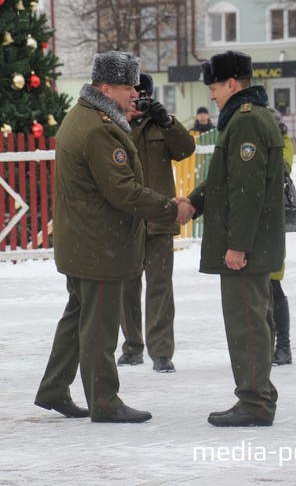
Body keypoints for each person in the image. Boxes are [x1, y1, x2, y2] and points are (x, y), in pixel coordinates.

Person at [33, 51, 192, 423]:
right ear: (105, 87)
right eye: (126, 86)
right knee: (100, 328)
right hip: (99, 244)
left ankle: (55, 388)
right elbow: (123, 191)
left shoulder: (83, 116)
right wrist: (172, 209)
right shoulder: (102, 127)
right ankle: (104, 401)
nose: (134, 93)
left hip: (83, 241)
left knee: (78, 317)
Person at [186, 50, 284, 427]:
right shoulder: (249, 118)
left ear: (231, 84)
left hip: (249, 247)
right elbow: (226, 183)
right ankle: (259, 394)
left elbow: (247, 191)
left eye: (214, 87)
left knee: (247, 322)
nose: (212, 95)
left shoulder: (244, 123)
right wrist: (193, 204)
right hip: (256, 244)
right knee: (255, 319)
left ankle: (255, 401)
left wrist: (238, 246)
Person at [119, 73, 196, 373]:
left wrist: (167, 121)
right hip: (127, 219)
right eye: (132, 94)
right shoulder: (114, 124)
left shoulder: (161, 124)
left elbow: (185, 150)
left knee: (160, 287)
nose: (136, 100)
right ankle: (132, 347)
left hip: (160, 218)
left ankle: (161, 351)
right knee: (127, 286)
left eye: (142, 96)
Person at [269, 108, 294, 366]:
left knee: (274, 286)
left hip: (273, 224)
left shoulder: (283, 145)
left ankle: (283, 345)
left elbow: (282, 166)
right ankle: (267, 344)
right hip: (258, 223)